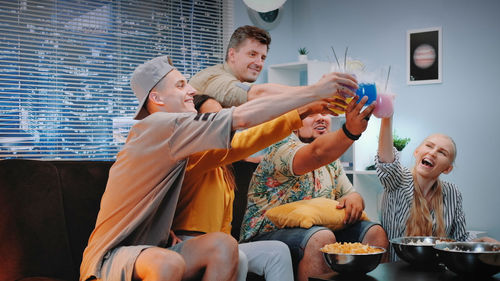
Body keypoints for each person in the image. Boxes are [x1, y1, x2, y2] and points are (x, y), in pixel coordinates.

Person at [80, 55, 360, 281]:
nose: (191, 90)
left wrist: (304, 110)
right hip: (110, 256)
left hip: (153, 248)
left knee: (224, 247)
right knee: (166, 264)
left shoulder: (179, 145)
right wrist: (311, 93)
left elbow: (238, 145)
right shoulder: (155, 127)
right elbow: (241, 118)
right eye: (180, 85)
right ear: (157, 98)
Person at [170, 94, 350, 281]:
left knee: (276, 252)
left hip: (225, 242)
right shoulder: (192, 156)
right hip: (192, 243)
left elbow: (239, 150)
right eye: (214, 118)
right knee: (236, 257)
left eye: (222, 116)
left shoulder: (224, 167)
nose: (222, 124)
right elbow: (250, 140)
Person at [240, 98, 389, 281]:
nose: (321, 118)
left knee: (375, 233)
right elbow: (316, 154)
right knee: (321, 237)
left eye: (325, 114)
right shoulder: (281, 149)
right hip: (265, 236)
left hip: (317, 231)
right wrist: (350, 131)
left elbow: (349, 193)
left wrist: (355, 200)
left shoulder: (331, 160)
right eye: (312, 115)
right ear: (295, 124)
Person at [376, 116, 500, 261]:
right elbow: (386, 163)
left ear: (447, 168)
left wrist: (482, 242)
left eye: (442, 152)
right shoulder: (397, 180)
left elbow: (458, 240)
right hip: (395, 272)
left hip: (437, 272)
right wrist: (387, 118)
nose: (433, 152)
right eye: (429, 146)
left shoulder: (452, 193)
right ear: (417, 152)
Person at [189, 25, 303, 108]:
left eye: (263, 58)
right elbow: (258, 94)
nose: (259, 63)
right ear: (232, 54)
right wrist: (312, 93)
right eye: (252, 54)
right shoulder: (215, 79)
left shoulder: (233, 78)